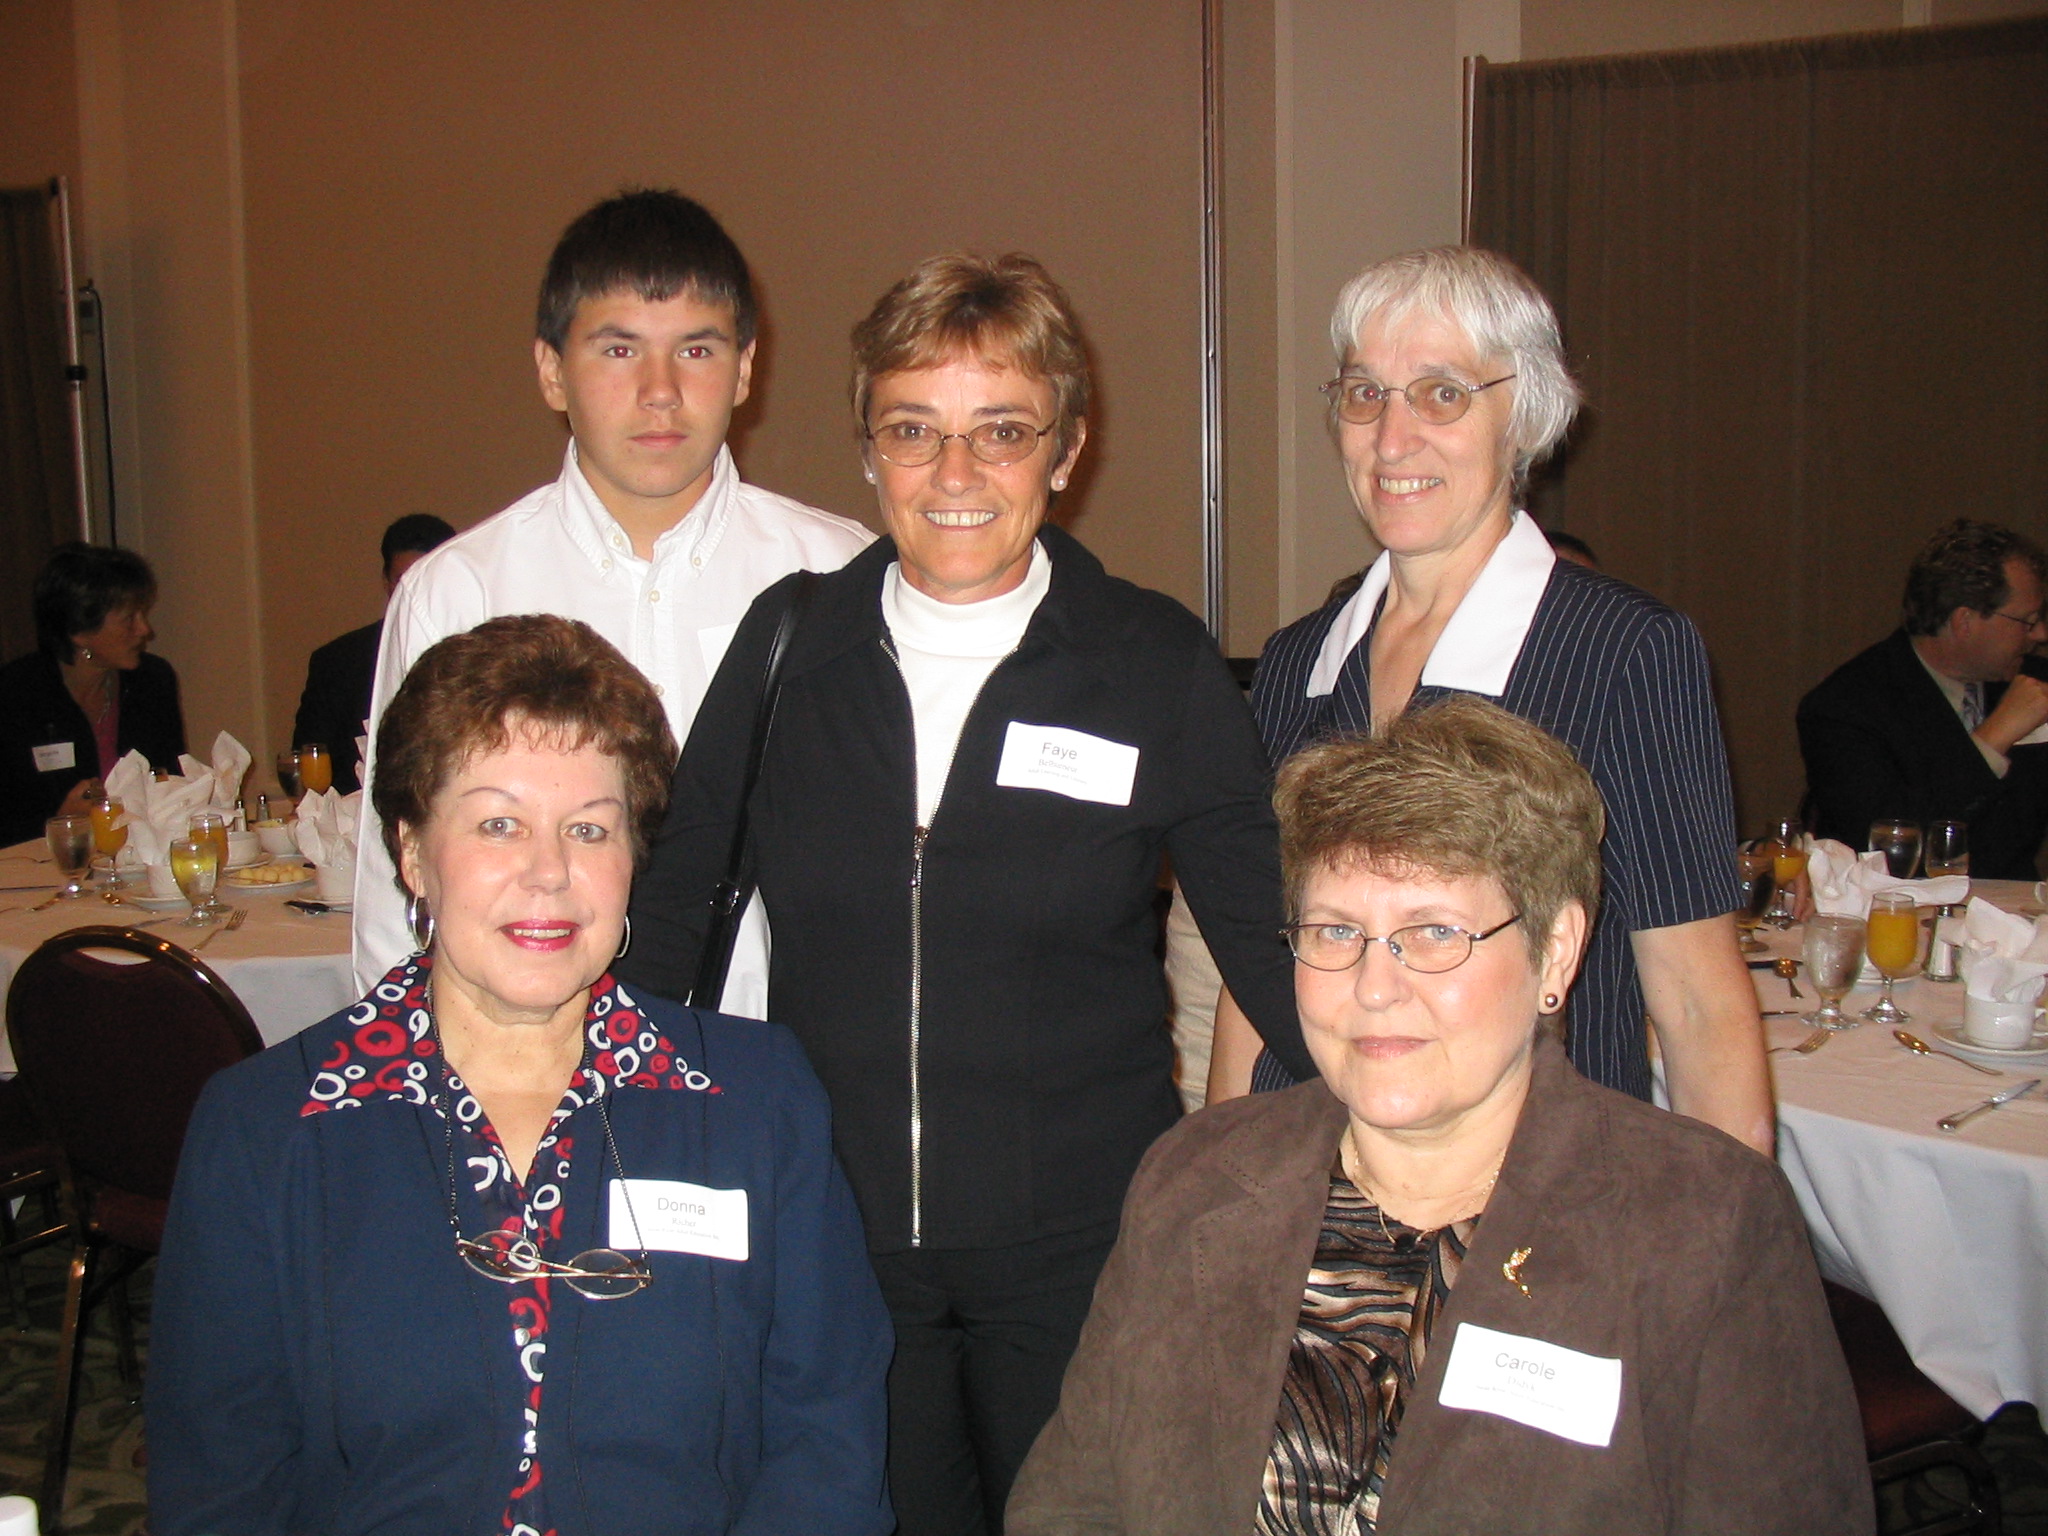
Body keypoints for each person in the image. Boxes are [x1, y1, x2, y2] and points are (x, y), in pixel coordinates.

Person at [619, 252, 1311, 1536]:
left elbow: (1277, 939)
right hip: (837, 1231)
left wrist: (1440, 1106)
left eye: (999, 432)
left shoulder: (1147, 660)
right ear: (868, 450)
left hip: (1082, 1240)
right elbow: (669, 915)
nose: (952, 476)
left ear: (1066, 449)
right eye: (912, 431)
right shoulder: (789, 646)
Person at [1010, 696, 1871, 1535]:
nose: (1374, 988)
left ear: (1555, 950)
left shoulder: (1702, 1225)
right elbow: (1069, 1504)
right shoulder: (1193, 1177)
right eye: (1336, 931)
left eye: (1433, 934)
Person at [148, 614, 892, 1534]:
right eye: (499, 823)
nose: (549, 873)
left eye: (590, 828)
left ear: (633, 861)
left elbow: (831, 1444)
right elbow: (220, 1489)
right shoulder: (268, 1130)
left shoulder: (755, 1101)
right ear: (414, 854)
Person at [1214, 246, 1769, 1155]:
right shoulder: (1297, 663)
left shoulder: (1622, 651)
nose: (1393, 440)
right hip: (1309, 1165)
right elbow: (1260, 968)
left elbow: (1698, 1002)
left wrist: (1731, 1254)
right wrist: (1224, 1178)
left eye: (1442, 394)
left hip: (1536, 1181)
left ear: (1527, 416)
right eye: (1364, 394)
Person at [351, 188, 873, 993]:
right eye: (619, 350)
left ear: (745, 369)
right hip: (528, 1072)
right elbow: (396, 899)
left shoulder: (843, 575)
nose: (661, 390)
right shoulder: (461, 591)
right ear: (552, 371)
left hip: (778, 1066)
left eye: (697, 350)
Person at [1799, 518, 2048, 878]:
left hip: (2018, 918)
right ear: (1965, 621)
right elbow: (1885, 848)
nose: (2040, 634)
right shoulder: (1844, 707)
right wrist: (1992, 740)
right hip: (1901, 917)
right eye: (2027, 620)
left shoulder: (2035, 684)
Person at [0, 543, 183, 844]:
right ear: (79, 631)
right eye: (129, 619)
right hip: (38, 871)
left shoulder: (151, 681)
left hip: (138, 861)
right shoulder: (16, 695)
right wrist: (58, 823)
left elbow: (173, 783)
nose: (145, 630)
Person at [291, 512, 456, 793]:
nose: (413, 594)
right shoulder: (338, 663)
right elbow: (312, 764)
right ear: (386, 582)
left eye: (425, 579)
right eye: (403, 581)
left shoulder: (484, 658)